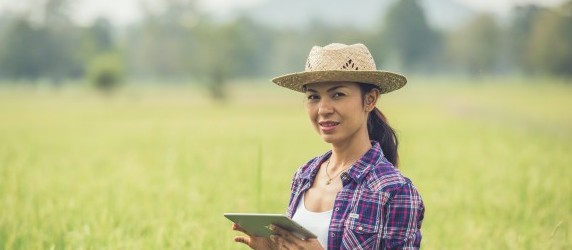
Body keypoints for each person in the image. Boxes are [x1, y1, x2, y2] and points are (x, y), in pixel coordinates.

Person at [232, 43, 425, 249]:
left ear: (370, 99)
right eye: (314, 97)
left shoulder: (394, 190)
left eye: (338, 95)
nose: (323, 109)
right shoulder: (304, 175)